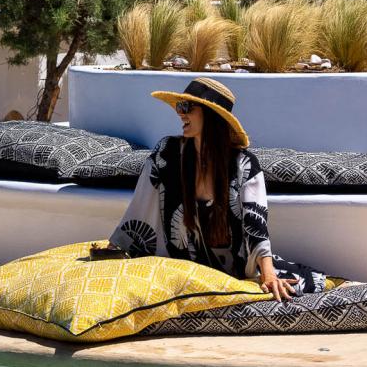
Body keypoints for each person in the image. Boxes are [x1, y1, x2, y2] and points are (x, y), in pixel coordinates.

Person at [107, 77, 333, 302]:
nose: (180, 114)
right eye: (179, 107)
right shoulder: (167, 154)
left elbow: (256, 225)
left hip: (235, 269)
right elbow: (140, 204)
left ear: (211, 114)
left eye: (186, 107)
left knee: (303, 284)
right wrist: (115, 247)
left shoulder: (244, 165)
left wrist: (268, 273)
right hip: (183, 266)